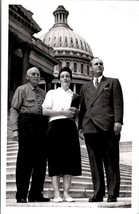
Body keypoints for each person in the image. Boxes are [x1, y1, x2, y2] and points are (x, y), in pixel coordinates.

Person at [78, 57, 124, 202]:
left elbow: (118, 103)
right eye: (96, 64)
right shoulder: (85, 88)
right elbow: (83, 109)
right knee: (94, 162)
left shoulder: (112, 82)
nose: (99, 66)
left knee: (111, 161)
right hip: (90, 127)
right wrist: (80, 127)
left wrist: (118, 121)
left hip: (108, 126)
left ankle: (112, 193)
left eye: (101, 64)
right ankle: (98, 193)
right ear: (90, 68)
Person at [10, 67, 50, 203]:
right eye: (33, 74)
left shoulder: (44, 93)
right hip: (27, 124)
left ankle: (35, 194)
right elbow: (14, 109)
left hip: (42, 125)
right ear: (27, 76)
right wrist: (14, 129)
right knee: (24, 161)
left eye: (38, 74)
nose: (36, 76)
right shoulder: (21, 90)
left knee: (40, 162)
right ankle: (21, 194)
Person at [42, 67, 82, 202]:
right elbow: (45, 111)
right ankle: (57, 194)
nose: (65, 78)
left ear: (71, 78)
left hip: (70, 127)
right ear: (59, 79)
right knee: (55, 159)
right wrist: (63, 112)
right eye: (63, 76)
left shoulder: (75, 96)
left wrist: (76, 112)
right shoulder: (52, 93)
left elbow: (76, 116)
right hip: (55, 126)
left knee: (69, 160)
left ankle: (66, 193)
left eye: (67, 76)